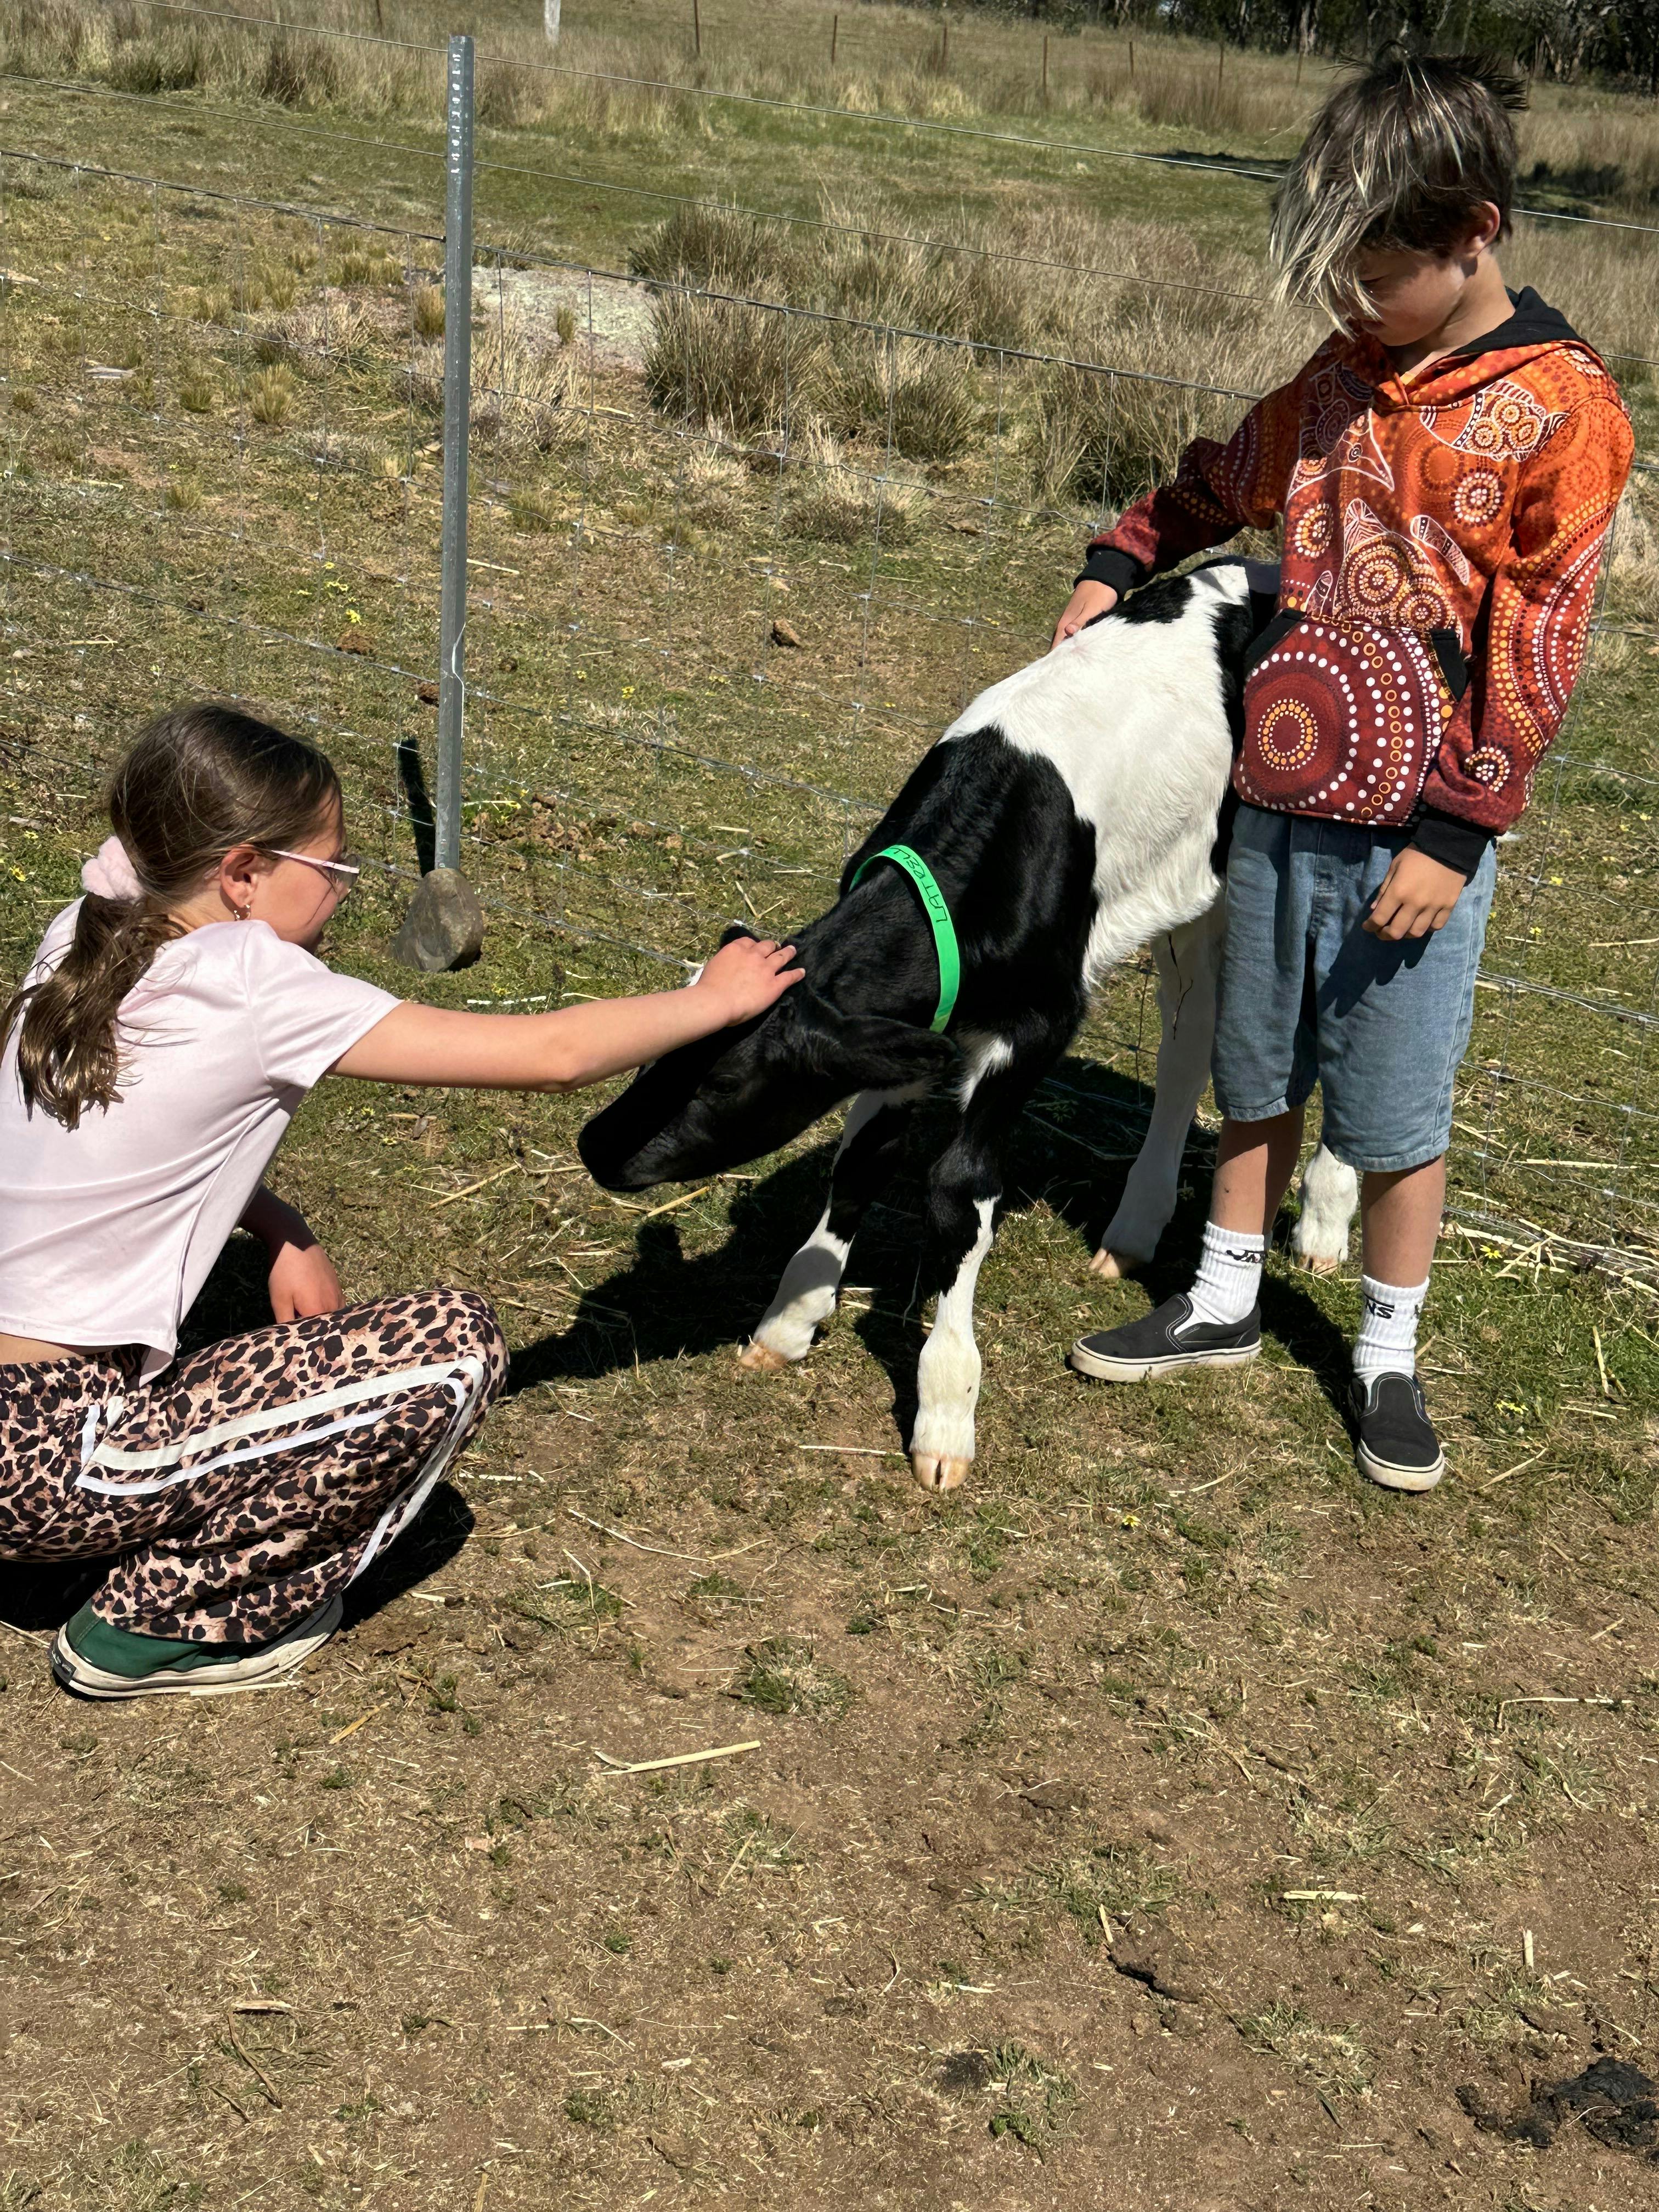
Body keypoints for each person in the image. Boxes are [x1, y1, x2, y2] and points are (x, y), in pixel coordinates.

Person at [1056, 55, 1633, 1491]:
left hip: (1413, 843)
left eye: (1371, 276)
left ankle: (1386, 1352)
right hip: (1278, 804)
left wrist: (1461, 828)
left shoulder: (1564, 413)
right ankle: (1228, 1294)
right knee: (1252, 1066)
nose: (1346, 308)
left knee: (1393, 1106)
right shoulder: (1333, 384)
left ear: (1474, 231)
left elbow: (1544, 640)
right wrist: (1121, 557)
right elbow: (1218, 478)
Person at [0, 703, 802, 1698]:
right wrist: (714, 1000)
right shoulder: (255, 977)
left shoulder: (88, 924)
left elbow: (142, 1132)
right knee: (455, 1345)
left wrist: (278, 1223)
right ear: (242, 874)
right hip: (41, 1459)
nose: (341, 894)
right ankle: (154, 1624)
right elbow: (553, 1057)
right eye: (331, 869)